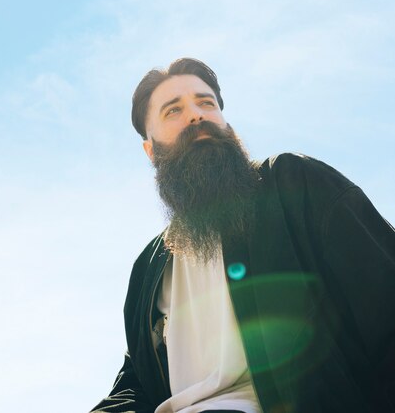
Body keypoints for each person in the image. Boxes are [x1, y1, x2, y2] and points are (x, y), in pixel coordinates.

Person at [89, 57, 395, 413]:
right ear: (151, 149)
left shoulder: (295, 185)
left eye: (206, 103)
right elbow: (135, 385)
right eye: (173, 111)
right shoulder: (149, 269)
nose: (196, 115)